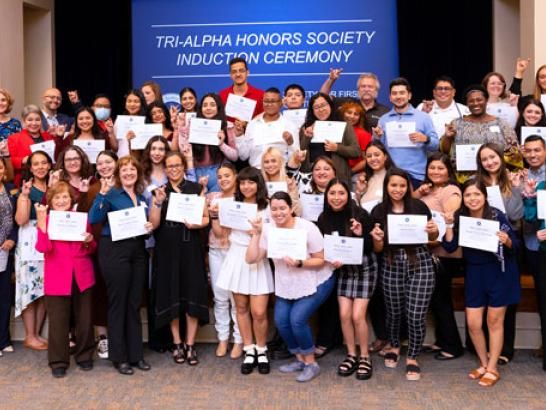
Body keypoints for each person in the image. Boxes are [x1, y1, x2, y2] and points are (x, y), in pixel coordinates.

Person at [246, 191, 333, 382]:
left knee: (297, 320)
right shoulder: (268, 229)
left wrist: (300, 263)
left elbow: (322, 259)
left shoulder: (307, 228)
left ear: (291, 208)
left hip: (316, 278)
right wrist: (256, 234)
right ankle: (300, 358)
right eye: (274, 209)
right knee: (281, 321)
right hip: (287, 282)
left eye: (282, 208)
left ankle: (311, 363)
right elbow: (252, 258)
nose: (278, 213)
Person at [443, 179, 520, 387]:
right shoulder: (460, 217)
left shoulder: (496, 215)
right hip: (475, 273)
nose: (473, 199)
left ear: (484, 196)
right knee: (473, 323)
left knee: (494, 322)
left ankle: (493, 367)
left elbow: (515, 245)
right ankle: (483, 363)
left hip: (499, 272)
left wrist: (507, 240)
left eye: (477, 194)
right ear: (463, 198)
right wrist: (449, 225)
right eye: (468, 195)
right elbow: (449, 246)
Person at [370, 168, 439, 381]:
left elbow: (432, 239)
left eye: (402, 185)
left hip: (420, 261)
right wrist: (378, 238)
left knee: (416, 313)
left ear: (407, 187)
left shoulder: (419, 206)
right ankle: (394, 344)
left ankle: (413, 355)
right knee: (394, 311)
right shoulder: (378, 211)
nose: (397, 189)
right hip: (391, 262)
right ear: (386, 187)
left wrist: (434, 230)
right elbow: (378, 249)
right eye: (393, 185)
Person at [89, 156, 153, 375]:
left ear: (138, 172)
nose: (128, 173)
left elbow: (145, 223)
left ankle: (136, 355)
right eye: (124, 170)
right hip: (114, 251)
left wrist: (148, 227)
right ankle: (120, 357)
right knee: (118, 303)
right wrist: (102, 194)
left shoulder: (142, 196)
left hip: (137, 251)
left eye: (132, 169)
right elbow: (94, 217)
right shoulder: (111, 193)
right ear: (118, 173)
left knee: (134, 303)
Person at [149, 151, 210, 366]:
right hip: (167, 250)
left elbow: (206, 218)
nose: (173, 169)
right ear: (165, 169)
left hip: (191, 248)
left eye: (177, 165)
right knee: (171, 294)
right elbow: (153, 224)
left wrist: (197, 224)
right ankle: (177, 342)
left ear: (184, 166)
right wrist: (157, 203)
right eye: (169, 166)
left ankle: (190, 343)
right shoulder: (160, 191)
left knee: (192, 293)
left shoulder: (196, 189)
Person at [215, 167, 273, 375]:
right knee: (241, 307)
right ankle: (249, 350)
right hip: (236, 256)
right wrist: (215, 216)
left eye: (251, 182)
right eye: (243, 183)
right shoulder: (232, 205)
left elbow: (276, 232)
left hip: (258, 258)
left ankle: (262, 349)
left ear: (258, 184)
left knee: (259, 312)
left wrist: (259, 232)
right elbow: (221, 232)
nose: (246, 186)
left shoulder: (267, 207)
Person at [317, 179, 377, 380]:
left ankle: (365, 357)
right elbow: (325, 247)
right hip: (343, 271)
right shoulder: (323, 218)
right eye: (332, 193)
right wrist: (330, 260)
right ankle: (351, 355)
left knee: (358, 316)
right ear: (327, 196)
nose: (336, 197)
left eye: (341, 193)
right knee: (344, 314)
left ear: (348, 195)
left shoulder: (359, 214)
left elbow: (372, 246)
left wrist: (360, 235)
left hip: (364, 268)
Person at [35, 181, 96, 378]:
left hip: (82, 275)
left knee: (85, 319)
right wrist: (43, 226)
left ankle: (85, 355)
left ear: (71, 200)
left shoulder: (80, 219)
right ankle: (58, 361)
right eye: (57, 197)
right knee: (58, 321)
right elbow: (43, 248)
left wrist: (89, 241)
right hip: (57, 276)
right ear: (51, 201)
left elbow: (92, 247)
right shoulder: (46, 220)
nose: (61, 200)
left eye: (65, 197)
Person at [413, 153, 464, 360]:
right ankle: (443, 340)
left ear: (448, 171)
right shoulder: (426, 190)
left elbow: (448, 222)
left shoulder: (451, 191)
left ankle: (453, 346)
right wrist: (419, 192)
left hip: (444, 255)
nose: (435, 172)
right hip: (429, 252)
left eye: (440, 168)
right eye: (432, 168)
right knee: (435, 300)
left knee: (441, 300)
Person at [77, 150, 119, 360]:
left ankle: (120, 336)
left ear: (116, 163)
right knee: (101, 292)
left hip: (121, 248)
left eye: (108, 162)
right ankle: (103, 336)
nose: (104, 166)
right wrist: (83, 195)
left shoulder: (125, 185)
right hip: (97, 247)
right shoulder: (92, 189)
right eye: (100, 163)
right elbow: (82, 218)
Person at [440, 84, 522, 183]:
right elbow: (444, 150)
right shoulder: (456, 124)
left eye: (479, 100)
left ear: (486, 100)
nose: (475, 103)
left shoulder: (501, 123)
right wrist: (448, 137)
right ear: (467, 103)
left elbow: (514, 152)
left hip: (496, 179)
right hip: (464, 181)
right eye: (471, 101)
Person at [14, 150, 52, 350]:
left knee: (44, 291)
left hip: (49, 243)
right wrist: (25, 196)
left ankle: (36, 334)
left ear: (49, 165)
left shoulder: (52, 186)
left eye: (43, 163)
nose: (40, 167)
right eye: (35, 164)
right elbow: (20, 220)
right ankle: (29, 335)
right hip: (29, 244)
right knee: (30, 290)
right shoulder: (26, 189)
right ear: (30, 168)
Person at [206, 163, 242, 358]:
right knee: (219, 297)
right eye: (219, 177)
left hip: (236, 252)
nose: (223, 180)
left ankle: (238, 340)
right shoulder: (212, 198)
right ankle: (222, 338)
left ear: (235, 176)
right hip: (216, 251)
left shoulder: (242, 199)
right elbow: (218, 233)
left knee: (236, 299)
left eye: (227, 175)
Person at [376, 77, 439, 189]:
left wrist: (425, 139)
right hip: (390, 175)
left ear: (409, 95)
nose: (398, 96)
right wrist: (378, 137)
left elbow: (436, 145)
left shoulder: (423, 117)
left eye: (402, 93)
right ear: (390, 97)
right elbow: (376, 149)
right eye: (394, 93)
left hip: (416, 176)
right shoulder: (383, 120)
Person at [178, 93, 237, 192]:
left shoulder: (227, 127)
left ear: (218, 107)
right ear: (200, 109)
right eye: (205, 105)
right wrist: (181, 128)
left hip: (218, 172)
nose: (208, 108)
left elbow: (235, 157)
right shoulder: (192, 125)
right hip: (196, 172)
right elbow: (183, 150)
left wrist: (222, 144)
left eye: (212, 105)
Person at [299, 92, 360, 186]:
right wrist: (307, 137)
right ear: (312, 110)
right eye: (316, 107)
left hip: (339, 179)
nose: (321, 109)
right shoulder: (306, 127)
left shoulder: (344, 125)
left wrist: (337, 148)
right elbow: (300, 153)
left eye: (323, 105)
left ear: (331, 105)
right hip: (311, 179)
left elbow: (356, 151)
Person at [522, 151, 546, 371]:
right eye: (528, 151)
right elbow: (530, 217)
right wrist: (529, 196)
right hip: (537, 247)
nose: (533, 154)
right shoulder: (522, 176)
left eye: (537, 149)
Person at [236, 87, 299, 170]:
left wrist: (290, 144)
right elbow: (244, 156)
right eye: (266, 101)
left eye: (273, 101)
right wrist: (239, 136)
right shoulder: (252, 124)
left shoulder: (290, 125)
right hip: (256, 174)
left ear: (281, 103)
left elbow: (296, 159)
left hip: (280, 174)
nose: (269, 104)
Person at [8, 104, 65, 186]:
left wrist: (59, 137)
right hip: (25, 180)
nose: (34, 123)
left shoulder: (48, 136)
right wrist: (22, 160)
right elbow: (9, 162)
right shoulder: (14, 138)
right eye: (30, 120)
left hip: (48, 179)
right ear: (24, 121)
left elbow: (57, 156)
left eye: (37, 120)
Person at [320, 69, 389, 132]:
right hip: (347, 145)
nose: (366, 89)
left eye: (370, 87)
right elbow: (322, 97)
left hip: (374, 145)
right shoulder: (347, 103)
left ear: (376, 90)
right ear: (358, 89)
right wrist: (331, 80)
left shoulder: (384, 112)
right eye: (363, 86)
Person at [0, 157, 17, 356]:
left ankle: (3, 340)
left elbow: (16, 219)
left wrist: (12, 239)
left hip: (5, 250)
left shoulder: (12, 189)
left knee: (4, 298)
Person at [219, 57, 264, 124]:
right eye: (234, 72)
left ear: (247, 73)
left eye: (241, 70)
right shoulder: (222, 95)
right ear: (230, 75)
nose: (238, 74)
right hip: (228, 134)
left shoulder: (261, 95)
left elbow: (264, 121)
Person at [261, 147, 301, 215]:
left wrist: (291, 192)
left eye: (273, 161)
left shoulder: (289, 181)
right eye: (266, 162)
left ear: (280, 162)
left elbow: (297, 212)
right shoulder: (260, 182)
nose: (270, 165)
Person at [338, 101, 371, 181]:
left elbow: (367, 160)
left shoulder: (363, 134)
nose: (352, 116)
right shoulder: (335, 128)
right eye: (349, 112)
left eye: (356, 114)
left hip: (355, 176)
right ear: (343, 113)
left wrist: (351, 172)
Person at [115, 90, 147, 157]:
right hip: (121, 160)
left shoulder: (146, 121)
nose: (132, 104)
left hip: (139, 160)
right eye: (129, 101)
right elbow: (115, 145)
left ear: (142, 103)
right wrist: (110, 133)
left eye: (136, 101)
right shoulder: (119, 121)